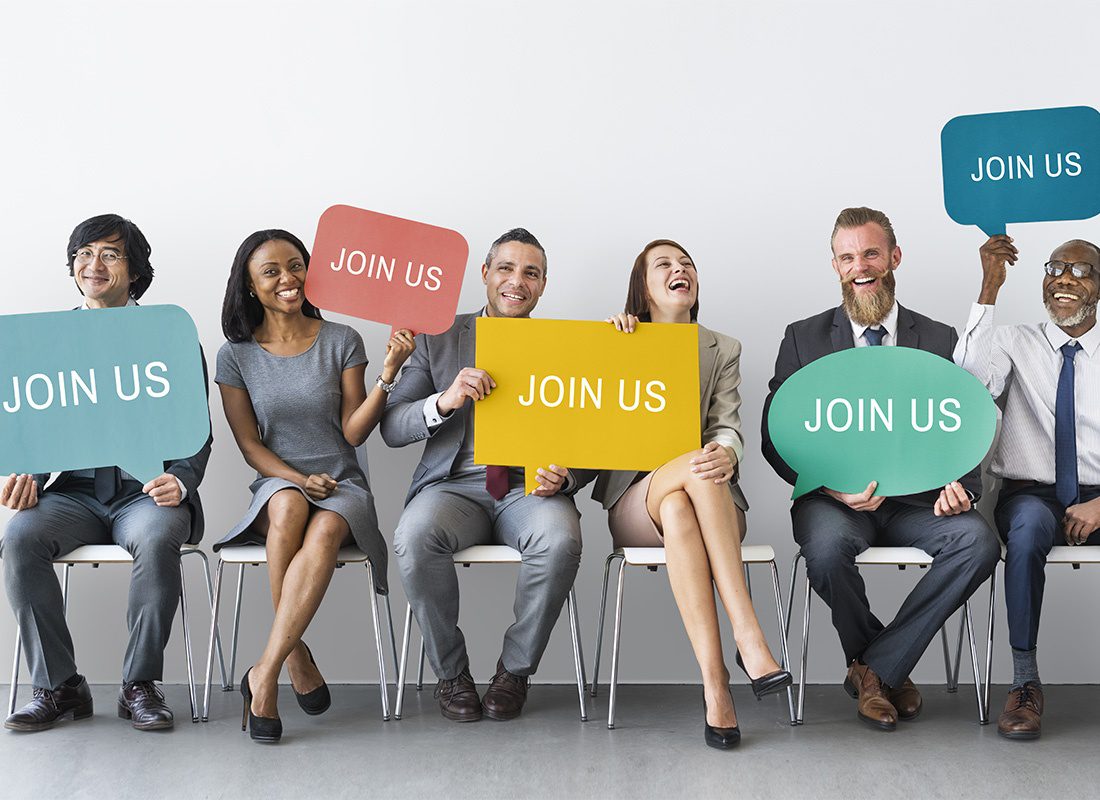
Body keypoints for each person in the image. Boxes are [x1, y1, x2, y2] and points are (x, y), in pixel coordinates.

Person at [761, 207, 1000, 731]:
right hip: (835, 503)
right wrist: (831, 487)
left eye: (870, 253)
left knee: (978, 541)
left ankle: (875, 671)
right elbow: (775, 437)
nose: (860, 266)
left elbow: (963, 423)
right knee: (824, 550)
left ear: (894, 257)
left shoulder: (939, 339)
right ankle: (884, 668)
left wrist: (959, 485)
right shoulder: (803, 338)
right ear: (835, 266)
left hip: (919, 503)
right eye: (847, 257)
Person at [1, 213, 213, 732]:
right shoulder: (50, 343)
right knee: (19, 537)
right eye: (84, 253)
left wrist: (182, 480)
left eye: (110, 254)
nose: (93, 264)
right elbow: (32, 421)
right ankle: (60, 687)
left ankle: (138, 685)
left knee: (159, 536)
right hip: (71, 495)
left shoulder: (170, 337)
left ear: (135, 271)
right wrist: (23, 475)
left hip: (146, 493)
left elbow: (198, 429)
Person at [380, 228, 593, 723]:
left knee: (560, 540)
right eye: (506, 268)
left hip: (530, 489)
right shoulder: (439, 335)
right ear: (485, 274)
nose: (516, 281)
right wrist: (445, 400)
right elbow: (391, 425)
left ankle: (514, 672)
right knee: (413, 535)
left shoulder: (568, 344)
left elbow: (593, 435)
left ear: (542, 285)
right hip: (454, 485)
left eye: (530, 273)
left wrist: (570, 475)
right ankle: (451, 675)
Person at [215, 229, 414, 743]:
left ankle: (265, 673)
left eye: (296, 264)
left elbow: (353, 431)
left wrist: (388, 373)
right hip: (278, 480)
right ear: (250, 286)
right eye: (272, 271)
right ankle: (296, 656)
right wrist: (300, 478)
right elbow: (249, 445)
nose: (288, 278)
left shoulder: (341, 339)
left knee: (323, 533)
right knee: (287, 509)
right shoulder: (235, 354)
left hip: (342, 482)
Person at [594, 239, 792, 750]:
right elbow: (586, 423)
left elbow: (727, 427)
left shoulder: (721, 348)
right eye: (664, 265)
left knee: (689, 493)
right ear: (643, 286)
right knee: (691, 477)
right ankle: (750, 636)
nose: (679, 270)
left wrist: (728, 451)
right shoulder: (617, 339)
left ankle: (717, 686)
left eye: (687, 264)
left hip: (709, 503)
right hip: (636, 501)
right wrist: (612, 348)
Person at [955, 235, 1100, 740]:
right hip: (1031, 493)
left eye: (1081, 270)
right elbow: (968, 382)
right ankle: (1024, 683)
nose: (1064, 277)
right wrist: (989, 287)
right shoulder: (1014, 341)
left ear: (1098, 288)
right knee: (1027, 529)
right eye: (1055, 267)